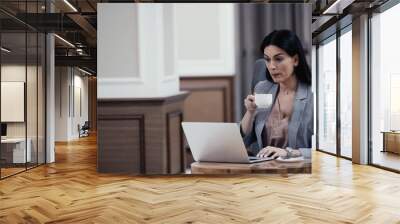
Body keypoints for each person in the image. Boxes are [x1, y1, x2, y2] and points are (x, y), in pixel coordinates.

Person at [240, 30, 313, 159]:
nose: (271, 66)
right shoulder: (262, 89)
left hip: (299, 173)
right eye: (267, 60)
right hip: (265, 169)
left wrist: (289, 153)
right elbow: (244, 140)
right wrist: (250, 112)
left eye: (278, 59)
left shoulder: (313, 95)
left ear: (295, 60)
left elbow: (324, 149)